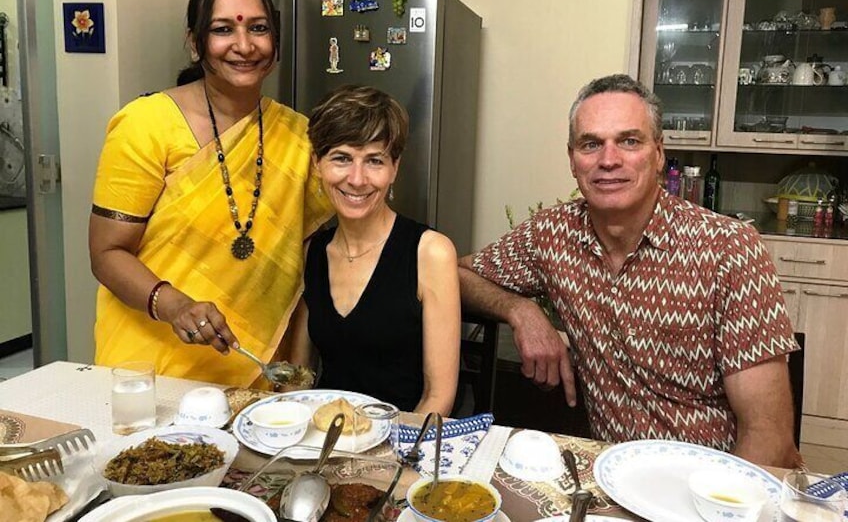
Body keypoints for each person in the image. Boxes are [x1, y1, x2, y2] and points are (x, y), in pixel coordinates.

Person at [458, 74, 801, 467]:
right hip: (613, 479)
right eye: (591, 144)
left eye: (629, 141)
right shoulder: (551, 234)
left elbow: (768, 437)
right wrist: (520, 311)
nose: (608, 160)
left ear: (658, 154)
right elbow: (455, 273)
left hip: (718, 485)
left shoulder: (729, 249)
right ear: (572, 159)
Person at [89, 0, 333, 386]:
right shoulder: (146, 124)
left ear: (275, 40)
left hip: (254, 365)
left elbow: (303, 256)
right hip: (151, 369)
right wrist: (177, 307)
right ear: (195, 41)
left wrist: (295, 363)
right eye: (223, 29)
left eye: (259, 28)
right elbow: (107, 253)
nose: (244, 45)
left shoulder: (299, 135)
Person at [285, 85, 460, 415]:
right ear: (317, 163)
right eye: (341, 158)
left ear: (395, 168)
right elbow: (300, 378)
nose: (357, 178)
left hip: (399, 445)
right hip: (324, 441)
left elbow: (438, 398)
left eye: (374, 161)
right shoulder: (314, 251)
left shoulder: (431, 253)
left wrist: (393, 458)